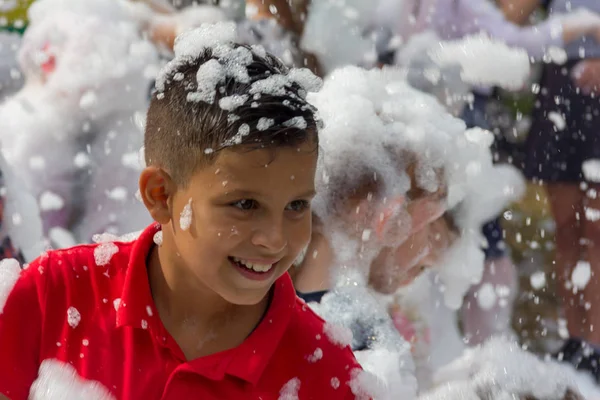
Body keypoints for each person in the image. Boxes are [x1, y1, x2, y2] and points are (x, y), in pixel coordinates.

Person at [0, 25, 364, 399]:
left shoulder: (325, 373)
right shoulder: (55, 298)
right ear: (161, 196)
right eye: (244, 205)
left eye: (296, 206)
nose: (274, 238)